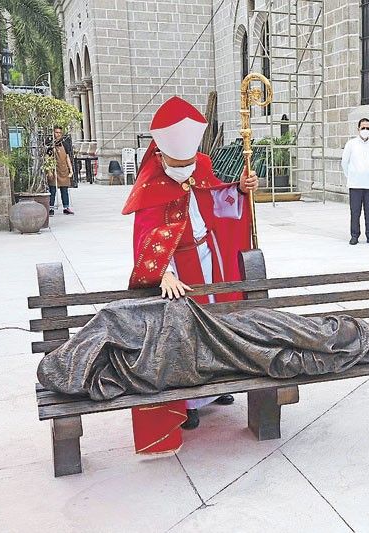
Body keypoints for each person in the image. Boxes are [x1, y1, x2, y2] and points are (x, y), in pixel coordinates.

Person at [121, 96, 258, 452]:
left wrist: (241, 190)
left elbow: (214, 196)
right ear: (161, 154)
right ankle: (189, 401)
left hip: (208, 255)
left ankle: (218, 384)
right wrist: (161, 272)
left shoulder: (201, 163)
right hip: (178, 266)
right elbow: (145, 233)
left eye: (189, 163)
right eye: (178, 164)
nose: (186, 170)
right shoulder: (151, 179)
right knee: (186, 331)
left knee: (216, 322)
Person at [342, 118, 369, 245]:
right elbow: (344, 163)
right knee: (355, 211)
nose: (365, 130)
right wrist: (351, 176)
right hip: (355, 184)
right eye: (363, 128)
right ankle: (354, 235)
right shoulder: (351, 144)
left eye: (367, 128)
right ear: (358, 129)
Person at [46, 126, 75, 215]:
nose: (58, 134)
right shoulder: (50, 144)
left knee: (64, 190)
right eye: (56, 132)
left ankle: (66, 207)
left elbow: (67, 157)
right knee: (53, 190)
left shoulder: (65, 143)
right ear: (53, 133)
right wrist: (49, 171)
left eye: (59, 133)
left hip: (63, 170)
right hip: (54, 169)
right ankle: (51, 208)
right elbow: (47, 158)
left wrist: (71, 169)